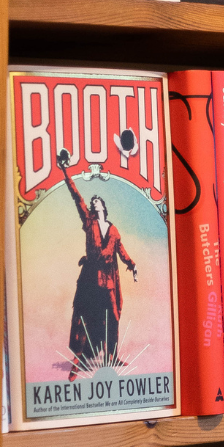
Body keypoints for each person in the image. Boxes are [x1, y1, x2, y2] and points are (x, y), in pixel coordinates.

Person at [58, 149, 137, 380]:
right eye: (92, 202)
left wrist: (132, 264)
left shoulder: (113, 229)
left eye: (96, 201)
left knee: (113, 316)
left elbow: (121, 250)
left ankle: (111, 356)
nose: (93, 202)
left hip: (109, 281)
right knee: (85, 317)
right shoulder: (88, 220)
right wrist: (65, 170)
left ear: (103, 205)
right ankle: (77, 362)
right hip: (91, 278)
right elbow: (76, 196)